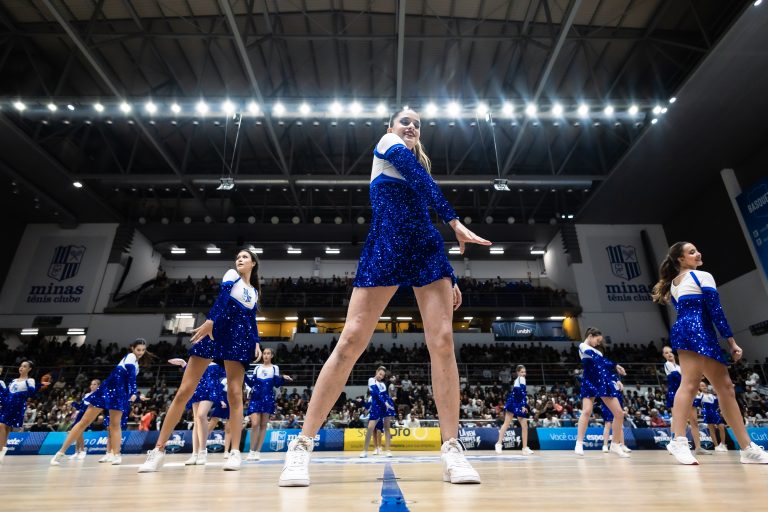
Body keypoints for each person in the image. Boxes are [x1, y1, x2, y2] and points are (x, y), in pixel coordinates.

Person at [279, 108, 491, 487]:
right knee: (350, 341)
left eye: (417, 124)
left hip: (426, 249)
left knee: (443, 341)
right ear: (391, 127)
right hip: (386, 246)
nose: (411, 127)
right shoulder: (388, 144)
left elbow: (424, 212)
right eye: (405, 121)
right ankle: (302, 445)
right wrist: (456, 221)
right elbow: (422, 180)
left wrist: (451, 275)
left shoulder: (418, 165)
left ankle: (452, 449)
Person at [139, 249, 263, 472]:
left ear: (253, 263)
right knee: (184, 391)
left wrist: (255, 341)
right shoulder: (231, 275)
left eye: (244, 257)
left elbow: (251, 319)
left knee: (235, 394)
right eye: (237, 257)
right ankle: (158, 450)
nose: (239, 259)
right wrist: (211, 321)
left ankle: (235, 452)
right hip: (214, 330)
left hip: (238, 338)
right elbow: (222, 298)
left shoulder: (254, 292)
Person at [652, 241, 768, 464]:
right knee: (692, 384)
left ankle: (746, 448)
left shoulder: (674, 283)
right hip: (696, 331)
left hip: (692, 331)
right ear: (681, 259)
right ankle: (678, 440)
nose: (698, 254)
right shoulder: (702, 276)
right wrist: (731, 341)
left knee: (725, 388)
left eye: (696, 250)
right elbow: (716, 310)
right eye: (692, 252)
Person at [50, 340, 147, 466]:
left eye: (143, 350)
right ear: (132, 348)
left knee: (114, 425)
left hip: (119, 394)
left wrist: (135, 395)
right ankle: (60, 452)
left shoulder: (136, 363)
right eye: (138, 349)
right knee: (84, 422)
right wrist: (134, 391)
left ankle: (116, 454)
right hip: (107, 391)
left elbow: (128, 381)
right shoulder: (130, 356)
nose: (140, 352)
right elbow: (131, 375)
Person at [574, 328, 629, 458]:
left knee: (619, 413)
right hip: (589, 381)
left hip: (603, 383)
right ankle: (579, 443)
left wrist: (616, 379)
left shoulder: (598, 351)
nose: (598, 343)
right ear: (590, 336)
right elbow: (597, 360)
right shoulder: (583, 346)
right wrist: (615, 365)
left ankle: (615, 444)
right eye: (597, 340)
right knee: (586, 411)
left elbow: (605, 369)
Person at [167, 358, 224, 466]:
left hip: (210, 391)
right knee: (197, 421)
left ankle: (203, 451)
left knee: (201, 415)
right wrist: (184, 364)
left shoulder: (218, 362)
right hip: (197, 390)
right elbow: (191, 375)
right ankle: (195, 454)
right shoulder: (198, 360)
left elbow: (226, 378)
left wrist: (223, 396)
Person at [245, 347, 293, 461]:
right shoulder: (257, 368)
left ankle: (257, 451)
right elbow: (251, 384)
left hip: (267, 398)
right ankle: (251, 451)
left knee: (263, 425)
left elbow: (276, 384)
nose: (266, 355)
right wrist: (244, 375)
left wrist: (283, 378)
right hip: (256, 398)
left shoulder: (275, 368)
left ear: (272, 356)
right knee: (255, 424)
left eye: (268, 353)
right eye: (264, 353)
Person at [662, 346, 709, 456]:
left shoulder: (680, 366)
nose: (669, 354)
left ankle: (698, 447)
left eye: (670, 352)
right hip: (675, 394)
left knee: (694, 421)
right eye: (666, 353)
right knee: (676, 419)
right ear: (663, 355)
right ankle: (674, 444)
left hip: (688, 393)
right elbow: (679, 378)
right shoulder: (667, 365)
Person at [0, 361, 39, 463]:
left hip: (17, 406)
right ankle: (3, 450)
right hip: (7, 405)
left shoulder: (30, 380)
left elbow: (31, 393)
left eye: (24, 366)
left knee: (1, 425)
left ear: (29, 369)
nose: (21, 368)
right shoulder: (13, 380)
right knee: (6, 428)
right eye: (21, 366)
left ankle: (0, 450)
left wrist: (38, 386)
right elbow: (6, 393)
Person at [495, 365, 534, 455]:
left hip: (516, 402)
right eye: (522, 372)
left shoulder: (518, 380)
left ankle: (525, 448)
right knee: (507, 423)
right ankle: (498, 444)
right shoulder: (521, 379)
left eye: (525, 372)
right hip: (514, 403)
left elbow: (521, 393)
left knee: (524, 426)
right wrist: (523, 405)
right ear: (517, 372)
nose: (524, 373)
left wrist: (522, 405)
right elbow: (522, 393)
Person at [360, 366, 396, 458]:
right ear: (376, 372)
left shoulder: (383, 384)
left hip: (386, 405)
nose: (381, 376)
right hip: (376, 405)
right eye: (380, 374)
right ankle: (365, 451)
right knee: (370, 428)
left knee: (387, 428)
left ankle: (388, 450)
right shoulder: (371, 380)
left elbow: (385, 395)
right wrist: (384, 403)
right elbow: (376, 393)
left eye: (383, 375)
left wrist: (388, 403)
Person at [67, 378, 101, 460]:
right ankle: (76, 452)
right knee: (77, 433)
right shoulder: (87, 395)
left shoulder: (98, 396)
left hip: (87, 416)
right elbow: (80, 407)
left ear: (98, 386)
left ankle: (82, 451)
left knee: (79, 433)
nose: (92, 386)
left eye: (94, 384)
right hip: (80, 416)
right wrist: (72, 403)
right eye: (91, 384)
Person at [700, 382, 728, 452]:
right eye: (702, 386)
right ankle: (716, 446)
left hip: (715, 412)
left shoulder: (711, 395)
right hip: (708, 413)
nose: (704, 387)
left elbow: (718, 403)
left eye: (705, 386)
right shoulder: (700, 395)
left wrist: (721, 410)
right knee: (712, 429)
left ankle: (723, 444)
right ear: (699, 388)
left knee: (721, 426)